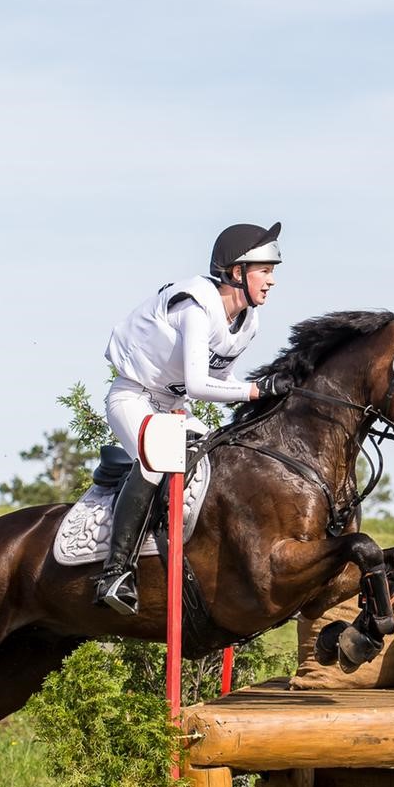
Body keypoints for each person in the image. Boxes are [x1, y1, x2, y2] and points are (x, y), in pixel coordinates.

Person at [94, 221, 286, 614]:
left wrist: (264, 396)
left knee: (225, 455)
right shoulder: (196, 308)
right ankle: (115, 574)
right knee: (157, 460)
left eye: (272, 272)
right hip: (134, 397)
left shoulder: (248, 323)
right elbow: (200, 384)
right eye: (265, 271)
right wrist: (254, 390)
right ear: (237, 272)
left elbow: (220, 381)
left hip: (174, 408)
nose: (272, 281)